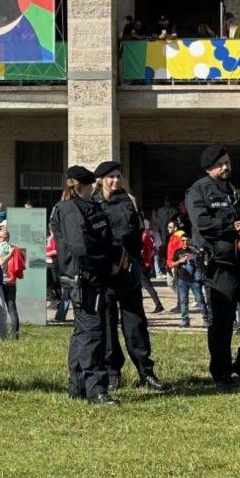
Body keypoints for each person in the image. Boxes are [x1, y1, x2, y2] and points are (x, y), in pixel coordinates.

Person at [185, 145, 240, 389]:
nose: (226, 167)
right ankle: (221, 373)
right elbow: (202, 223)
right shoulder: (198, 190)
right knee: (222, 322)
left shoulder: (235, 190)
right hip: (218, 263)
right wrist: (233, 226)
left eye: (227, 162)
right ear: (209, 167)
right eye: (221, 164)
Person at [93, 161, 166, 392]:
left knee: (135, 324)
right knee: (107, 325)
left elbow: (135, 232)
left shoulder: (128, 201)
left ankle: (146, 371)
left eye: (118, 176)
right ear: (101, 180)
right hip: (106, 273)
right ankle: (113, 373)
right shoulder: (93, 203)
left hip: (128, 271)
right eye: (110, 177)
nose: (115, 180)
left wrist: (132, 260)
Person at [50, 165, 120, 405]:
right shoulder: (69, 210)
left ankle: (77, 385)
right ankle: (95, 390)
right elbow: (80, 248)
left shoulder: (88, 207)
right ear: (82, 186)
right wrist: (106, 264)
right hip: (85, 279)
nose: (93, 189)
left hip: (93, 277)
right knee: (92, 334)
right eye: (90, 185)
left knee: (83, 334)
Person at [169, 233, 208, 328]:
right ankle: (185, 321)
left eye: (187, 240)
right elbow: (171, 264)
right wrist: (180, 261)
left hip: (194, 280)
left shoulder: (195, 250)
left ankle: (206, 320)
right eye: (183, 240)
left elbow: (201, 263)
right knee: (183, 301)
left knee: (200, 300)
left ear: (190, 240)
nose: (185, 242)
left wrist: (195, 259)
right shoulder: (178, 251)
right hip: (182, 280)